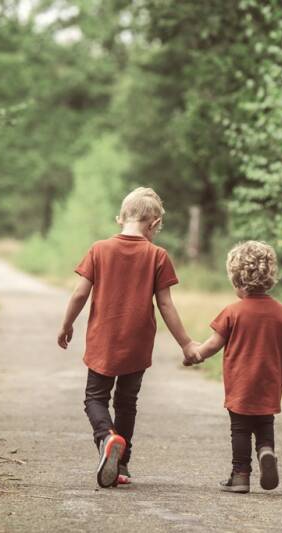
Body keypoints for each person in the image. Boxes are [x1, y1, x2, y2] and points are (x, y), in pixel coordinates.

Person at [57, 187, 198, 488]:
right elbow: (165, 305)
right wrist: (186, 343)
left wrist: (67, 324)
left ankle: (107, 437)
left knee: (95, 398)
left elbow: (80, 293)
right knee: (127, 402)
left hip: (102, 341)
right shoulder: (157, 255)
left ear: (121, 218)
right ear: (154, 224)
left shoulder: (99, 249)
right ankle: (121, 465)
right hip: (137, 342)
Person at [184, 240, 282, 493]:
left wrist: (196, 355)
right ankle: (266, 450)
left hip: (240, 383)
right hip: (270, 381)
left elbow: (214, 344)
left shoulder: (233, 312)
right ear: (270, 275)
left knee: (240, 428)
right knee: (264, 422)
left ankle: (240, 475)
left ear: (237, 281)